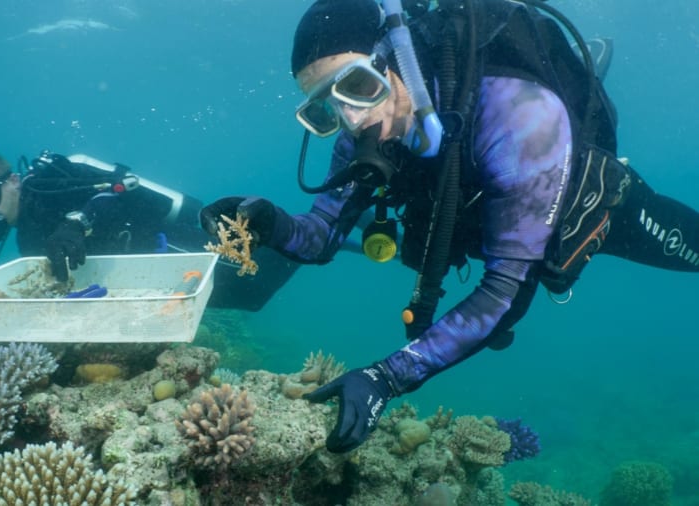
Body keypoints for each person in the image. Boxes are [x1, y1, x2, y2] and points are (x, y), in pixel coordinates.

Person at [200, 0, 699, 453]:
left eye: (356, 85)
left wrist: (386, 378)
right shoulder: (363, 128)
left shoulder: (519, 116)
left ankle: (580, 96)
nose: (350, 118)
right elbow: (321, 234)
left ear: (394, 58)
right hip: (486, 212)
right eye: (324, 107)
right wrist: (263, 219)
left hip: (582, 203)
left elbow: (505, 292)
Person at [0, 150, 300, 311]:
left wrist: (76, 223)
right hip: (146, 281)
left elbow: (112, 190)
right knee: (246, 300)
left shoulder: (51, 180)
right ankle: (314, 233)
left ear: (13, 180)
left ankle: (319, 230)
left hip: (164, 245)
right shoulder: (26, 241)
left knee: (256, 285)